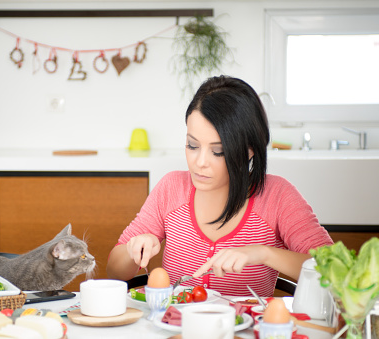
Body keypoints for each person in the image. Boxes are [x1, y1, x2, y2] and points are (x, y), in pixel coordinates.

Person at [106, 75, 333, 296]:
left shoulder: (277, 196)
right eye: (192, 145)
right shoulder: (171, 188)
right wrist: (132, 249)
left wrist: (263, 254)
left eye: (218, 151)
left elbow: (334, 270)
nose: (200, 162)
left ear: (249, 150)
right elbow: (114, 272)